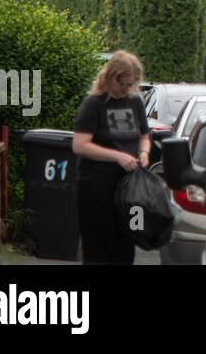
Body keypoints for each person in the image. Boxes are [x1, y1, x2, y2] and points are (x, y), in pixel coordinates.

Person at [72, 51, 150, 264]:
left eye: (131, 84)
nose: (127, 89)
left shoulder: (135, 102)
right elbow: (80, 145)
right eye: (123, 84)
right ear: (111, 77)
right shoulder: (93, 104)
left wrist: (144, 153)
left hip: (128, 188)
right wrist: (117, 156)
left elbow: (145, 136)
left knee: (126, 246)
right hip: (96, 186)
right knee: (98, 248)